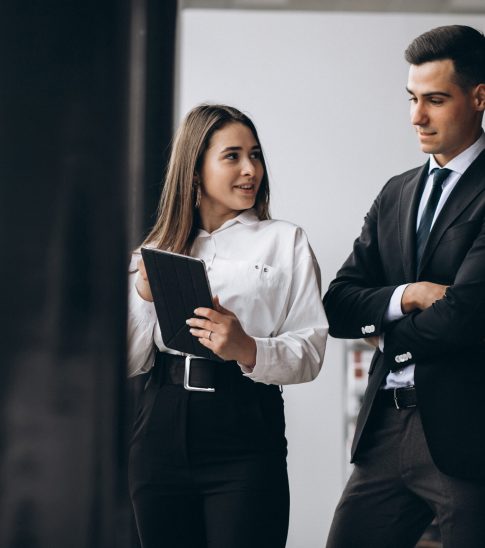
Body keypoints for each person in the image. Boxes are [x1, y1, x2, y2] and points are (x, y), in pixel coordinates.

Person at [127, 104, 328, 548]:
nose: (250, 169)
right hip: (160, 423)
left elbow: (311, 352)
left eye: (255, 155)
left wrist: (245, 347)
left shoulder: (285, 241)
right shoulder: (157, 248)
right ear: (195, 171)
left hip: (244, 425)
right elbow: (125, 360)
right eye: (232, 156)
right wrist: (143, 298)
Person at [323, 25, 485, 548]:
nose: (417, 117)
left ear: (480, 97)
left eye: (435, 100)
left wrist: (387, 334)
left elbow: (465, 315)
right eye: (413, 99)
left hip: (466, 435)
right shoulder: (396, 193)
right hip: (384, 431)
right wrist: (407, 296)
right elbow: (338, 305)